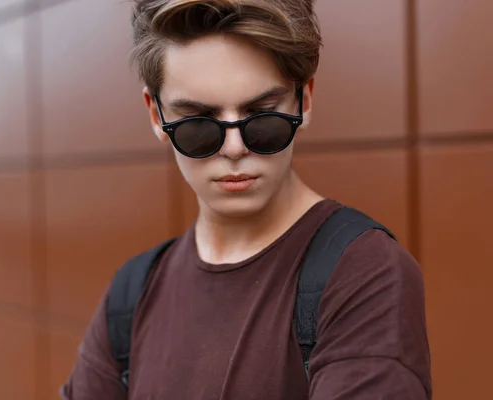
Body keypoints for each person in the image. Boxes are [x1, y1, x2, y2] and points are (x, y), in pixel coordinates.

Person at [61, 0, 432, 398]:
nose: (235, 148)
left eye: (262, 115)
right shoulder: (132, 294)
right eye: (199, 124)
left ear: (303, 101)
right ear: (156, 116)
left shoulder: (363, 272)